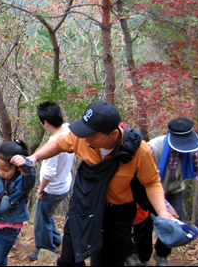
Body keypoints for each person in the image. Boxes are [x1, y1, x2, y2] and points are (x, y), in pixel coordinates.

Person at [11, 101, 174, 266]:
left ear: (112, 134)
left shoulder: (140, 151)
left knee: (108, 260)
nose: (85, 137)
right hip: (84, 205)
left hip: (117, 213)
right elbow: (59, 144)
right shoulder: (82, 138)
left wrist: (162, 211)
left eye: (92, 134)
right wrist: (34, 158)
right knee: (69, 259)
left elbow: (152, 183)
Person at [128, 117, 198, 266]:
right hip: (147, 192)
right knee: (143, 227)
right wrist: (165, 208)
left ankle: (161, 254)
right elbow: (144, 180)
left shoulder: (192, 150)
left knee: (174, 224)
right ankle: (143, 258)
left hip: (173, 190)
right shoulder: (153, 148)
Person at [30, 101, 74, 262]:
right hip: (64, 184)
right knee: (47, 214)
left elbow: (49, 173)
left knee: (41, 218)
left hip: (52, 189)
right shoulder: (68, 129)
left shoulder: (52, 145)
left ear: (46, 123)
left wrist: (41, 190)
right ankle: (55, 238)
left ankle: (46, 248)